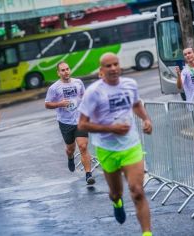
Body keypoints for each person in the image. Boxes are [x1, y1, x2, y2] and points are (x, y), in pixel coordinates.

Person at [78, 53, 153, 236]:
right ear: (101, 70)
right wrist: (111, 128)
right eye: (108, 66)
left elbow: (136, 105)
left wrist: (146, 119)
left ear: (120, 66)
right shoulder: (94, 92)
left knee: (137, 191)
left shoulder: (130, 85)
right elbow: (82, 124)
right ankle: (116, 202)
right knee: (116, 193)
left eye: (115, 64)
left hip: (131, 146)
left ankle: (147, 233)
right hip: (107, 149)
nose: (113, 69)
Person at [45, 62, 95, 185]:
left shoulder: (78, 82)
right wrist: (59, 104)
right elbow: (47, 104)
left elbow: (84, 97)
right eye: (62, 70)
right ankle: (70, 157)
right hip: (65, 121)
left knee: (83, 146)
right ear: (58, 73)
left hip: (80, 120)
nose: (66, 72)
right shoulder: (54, 88)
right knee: (70, 148)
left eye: (67, 69)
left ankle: (88, 175)